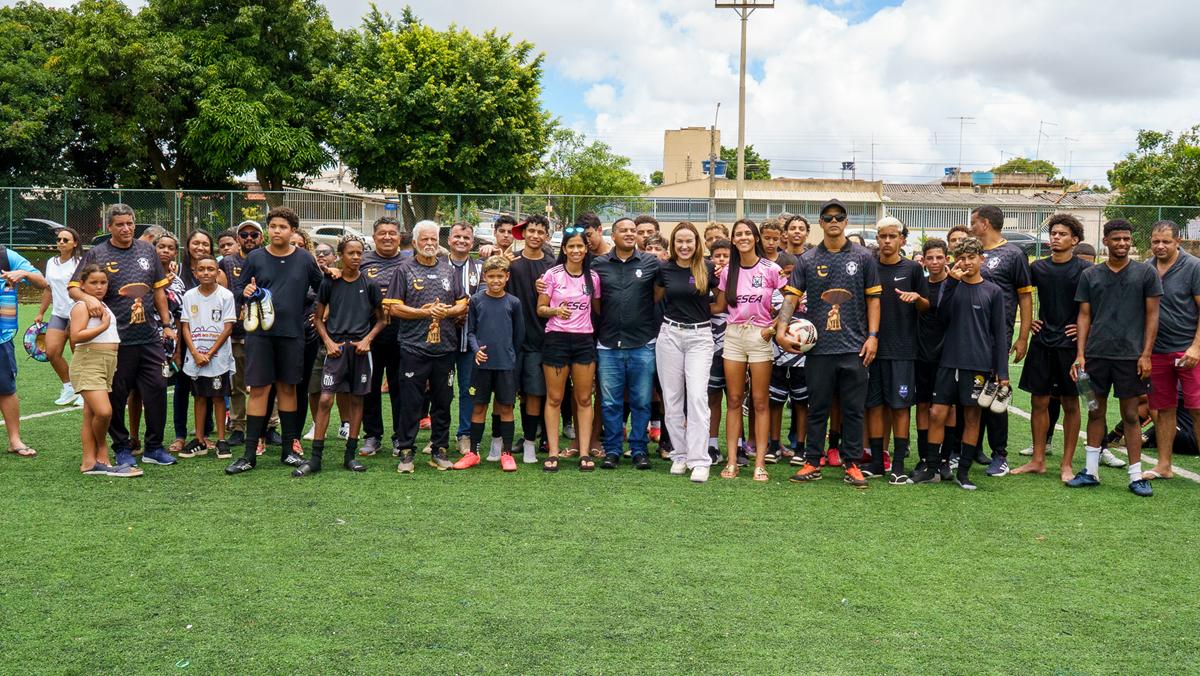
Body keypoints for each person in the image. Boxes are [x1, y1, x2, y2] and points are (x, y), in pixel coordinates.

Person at [776, 199, 880, 489]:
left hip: (854, 347)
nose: (834, 221)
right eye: (828, 217)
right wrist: (781, 330)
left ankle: (852, 464)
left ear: (846, 222)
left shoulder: (863, 257)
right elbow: (792, 296)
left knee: (853, 410)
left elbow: (874, 299)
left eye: (839, 217)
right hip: (819, 349)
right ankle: (812, 461)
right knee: (817, 407)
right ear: (820, 223)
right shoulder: (808, 260)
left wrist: (873, 336)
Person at [69, 204, 175, 468]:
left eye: (130, 223)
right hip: (116, 341)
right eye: (120, 224)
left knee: (157, 389)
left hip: (149, 336)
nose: (126, 228)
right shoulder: (98, 253)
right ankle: (122, 447)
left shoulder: (148, 250)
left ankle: (154, 447)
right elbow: (74, 287)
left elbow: (158, 291)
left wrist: (166, 324)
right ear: (110, 227)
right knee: (116, 396)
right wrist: (88, 299)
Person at [225, 206, 325, 475]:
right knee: (259, 389)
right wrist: (246, 292)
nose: (277, 231)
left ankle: (289, 451)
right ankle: (249, 455)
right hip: (260, 334)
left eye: (282, 227)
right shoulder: (255, 257)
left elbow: (323, 288)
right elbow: (240, 291)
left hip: (292, 334)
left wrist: (319, 310)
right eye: (273, 226)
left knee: (288, 389)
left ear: (293, 231)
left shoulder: (305, 259)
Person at [1069, 219, 1161, 497]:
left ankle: (1136, 476)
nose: (1122, 243)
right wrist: (1080, 354)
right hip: (1095, 356)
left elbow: (1153, 315)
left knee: (1131, 415)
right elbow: (1084, 316)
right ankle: (1090, 471)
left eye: (1127, 239)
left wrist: (1146, 354)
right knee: (1094, 410)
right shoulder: (1090, 275)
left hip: (1131, 357)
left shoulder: (1146, 273)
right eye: (1117, 238)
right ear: (1105, 241)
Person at [909, 237, 1009, 490]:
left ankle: (963, 473)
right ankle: (932, 469)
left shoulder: (993, 291)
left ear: (981, 259)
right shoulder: (950, 285)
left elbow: (999, 333)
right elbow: (941, 316)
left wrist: (1002, 371)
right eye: (961, 258)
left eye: (971, 257)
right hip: (948, 362)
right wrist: (952, 282)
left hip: (977, 365)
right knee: (936, 413)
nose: (966, 262)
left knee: (972, 417)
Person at [294, 236, 386, 477]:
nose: (355, 257)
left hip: (360, 350)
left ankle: (349, 456)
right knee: (325, 399)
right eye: (350, 253)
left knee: (357, 400)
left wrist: (367, 340)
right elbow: (317, 318)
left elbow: (382, 319)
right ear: (341, 256)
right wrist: (328, 342)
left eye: (359, 253)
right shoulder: (329, 282)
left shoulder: (370, 284)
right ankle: (315, 459)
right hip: (335, 348)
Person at [385, 220, 469, 473]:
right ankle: (406, 452)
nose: (430, 243)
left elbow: (463, 302)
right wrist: (424, 313)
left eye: (433, 239)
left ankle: (439, 450)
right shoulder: (404, 270)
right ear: (415, 242)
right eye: (425, 239)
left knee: (443, 401)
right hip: (414, 347)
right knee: (411, 402)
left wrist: (447, 311)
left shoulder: (448, 271)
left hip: (445, 348)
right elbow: (393, 307)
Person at [1012, 214, 1089, 480]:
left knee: (1071, 403)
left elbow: (1096, 305)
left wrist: (1085, 329)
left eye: (1062, 234)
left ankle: (1067, 464)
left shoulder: (1085, 270)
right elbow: (1021, 294)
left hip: (1070, 345)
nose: (1056, 237)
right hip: (1042, 342)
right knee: (1039, 401)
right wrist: (1028, 322)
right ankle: (1038, 460)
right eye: (1053, 233)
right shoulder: (1038, 268)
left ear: (1075, 240)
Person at [712, 218, 787, 482]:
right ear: (733, 240)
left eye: (747, 233)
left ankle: (760, 463)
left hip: (760, 335)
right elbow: (719, 306)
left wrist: (775, 327)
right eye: (738, 234)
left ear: (755, 238)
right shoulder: (727, 271)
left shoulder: (771, 269)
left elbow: (792, 300)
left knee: (759, 401)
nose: (743, 237)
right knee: (733, 400)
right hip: (733, 335)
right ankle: (732, 461)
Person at [864, 217, 929, 483]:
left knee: (900, 408)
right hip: (872, 350)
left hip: (903, 350)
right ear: (877, 239)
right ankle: (877, 462)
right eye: (883, 236)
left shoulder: (913, 269)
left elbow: (926, 306)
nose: (887, 241)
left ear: (902, 239)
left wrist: (917, 299)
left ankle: (899, 465)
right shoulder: (869, 267)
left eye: (893, 236)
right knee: (874, 406)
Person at [593, 217, 660, 470]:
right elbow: (596, 302)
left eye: (633, 230)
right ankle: (612, 450)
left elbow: (659, 293)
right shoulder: (598, 264)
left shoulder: (651, 262)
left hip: (642, 343)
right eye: (624, 230)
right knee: (610, 403)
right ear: (613, 235)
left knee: (641, 401)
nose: (630, 234)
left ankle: (639, 450)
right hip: (608, 343)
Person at [970, 205, 1033, 477]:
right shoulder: (973, 251)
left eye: (973, 222)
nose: (971, 226)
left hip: (998, 338)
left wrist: (1022, 337)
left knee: (996, 393)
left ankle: (1000, 455)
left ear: (985, 223)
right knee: (973, 393)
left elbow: (1025, 296)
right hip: (970, 336)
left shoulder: (1013, 254)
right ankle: (971, 448)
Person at [654, 221, 716, 483]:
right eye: (679, 241)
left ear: (697, 243)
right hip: (670, 335)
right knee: (672, 399)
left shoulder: (708, 268)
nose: (684, 245)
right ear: (673, 243)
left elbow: (721, 301)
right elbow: (655, 297)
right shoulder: (664, 269)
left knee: (698, 397)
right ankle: (680, 454)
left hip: (700, 337)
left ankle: (700, 460)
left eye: (689, 240)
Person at [537, 225, 601, 472]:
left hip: (584, 341)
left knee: (584, 398)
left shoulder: (593, 278)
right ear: (564, 249)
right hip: (557, 340)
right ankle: (553, 453)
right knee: (555, 398)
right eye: (571, 246)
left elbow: (597, 309)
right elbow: (541, 308)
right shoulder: (552, 275)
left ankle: (584, 453)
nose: (576, 250)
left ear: (586, 249)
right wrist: (555, 311)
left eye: (580, 246)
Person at [455, 255, 525, 471]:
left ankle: (507, 454)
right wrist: (476, 350)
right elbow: (471, 332)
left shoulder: (514, 303)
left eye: (500, 276)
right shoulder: (476, 300)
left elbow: (519, 336)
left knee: (506, 408)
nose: (496, 280)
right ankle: (473, 453)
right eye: (491, 276)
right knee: (478, 407)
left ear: (507, 277)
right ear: (484, 276)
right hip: (482, 365)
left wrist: (508, 355)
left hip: (505, 365)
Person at [70, 265, 141, 476]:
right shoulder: (83, 306)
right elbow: (76, 335)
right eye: (93, 283)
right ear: (82, 285)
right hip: (89, 361)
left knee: (90, 413)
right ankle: (101, 452)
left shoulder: (102, 305)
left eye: (103, 282)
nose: (99, 287)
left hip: (107, 362)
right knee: (104, 411)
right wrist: (103, 326)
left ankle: (89, 462)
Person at [1146, 220, 1200, 480]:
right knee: (1164, 409)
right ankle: (1164, 466)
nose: (1160, 246)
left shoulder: (1194, 267)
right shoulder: (1146, 269)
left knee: (1197, 409)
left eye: (1166, 241)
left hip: (1188, 352)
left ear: (1178, 241)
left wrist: (1196, 347)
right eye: (1156, 241)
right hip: (1157, 352)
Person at [219, 219, 274, 448]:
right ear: (238, 238)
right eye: (244, 235)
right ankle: (238, 426)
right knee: (237, 384)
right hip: (237, 332)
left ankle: (270, 427)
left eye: (254, 235)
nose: (249, 238)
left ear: (261, 237)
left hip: (265, 331)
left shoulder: (269, 259)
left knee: (269, 382)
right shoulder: (227, 262)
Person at [357, 217, 408, 457]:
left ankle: (400, 437)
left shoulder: (410, 261)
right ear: (374, 236)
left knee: (400, 387)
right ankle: (372, 435)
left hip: (403, 333)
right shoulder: (362, 260)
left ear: (400, 237)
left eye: (392, 233)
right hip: (370, 333)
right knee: (370, 386)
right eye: (382, 233)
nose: (387, 237)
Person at [508, 216, 555, 464]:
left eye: (540, 232)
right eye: (531, 231)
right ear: (523, 233)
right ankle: (510, 440)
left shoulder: (552, 265)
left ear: (546, 236)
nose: (535, 235)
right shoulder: (511, 261)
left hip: (541, 338)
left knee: (537, 391)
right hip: (512, 339)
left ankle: (534, 440)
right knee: (514, 392)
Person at [179, 256, 236, 460]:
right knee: (199, 397)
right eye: (201, 269)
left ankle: (221, 440)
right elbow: (185, 326)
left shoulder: (226, 296)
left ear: (217, 272)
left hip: (218, 357)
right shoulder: (189, 296)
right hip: (195, 356)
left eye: (210, 269)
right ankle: (200, 440)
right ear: (195, 273)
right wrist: (195, 353)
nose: (205, 273)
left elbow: (228, 328)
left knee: (218, 397)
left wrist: (210, 353)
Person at [914, 238, 951, 476]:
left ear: (947, 259)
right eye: (930, 258)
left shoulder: (955, 284)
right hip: (922, 354)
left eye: (939, 257)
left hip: (948, 355)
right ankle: (924, 458)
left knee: (948, 408)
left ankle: (945, 459)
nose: (935, 262)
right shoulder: (920, 285)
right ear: (924, 261)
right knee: (923, 405)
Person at [447, 222, 483, 454]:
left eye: (466, 237)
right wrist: (453, 313)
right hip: (442, 340)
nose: (461, 241)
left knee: (468, 389)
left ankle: (465, 434)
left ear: (472, 242)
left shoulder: (481, 268)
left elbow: (485, 300)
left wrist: (464, 311)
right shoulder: (438, 265)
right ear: (449, 240)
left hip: (471, 341)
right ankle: (438, 435)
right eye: (457, 236)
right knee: (442, 390)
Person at [36, 226, 83, 406]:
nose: (61, 242)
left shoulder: (80, 262)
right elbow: (48, 289)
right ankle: (69, 387)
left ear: (75, 243)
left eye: (66, 240)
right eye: (59, 240)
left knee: (78, 355)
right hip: (58, 313)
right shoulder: (51, 262)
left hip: (77, 314)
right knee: (51, 352)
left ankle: (84, 391)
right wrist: (41, 312)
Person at [303, 243, 338, 441]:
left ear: (335, 256)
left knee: (345, 387)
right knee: (314, 385)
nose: (321, 256)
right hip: (312, 336)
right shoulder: (308, 275)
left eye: (326, 252)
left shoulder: (340, 276)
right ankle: (317, 424)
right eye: (318, 253)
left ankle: (346, 424)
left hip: (337, 335)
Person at [706, 239, 733, 466]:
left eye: (726, 255)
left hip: (736, 346)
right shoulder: (705, 279)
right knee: (712, 397)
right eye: (717, 256)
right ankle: (712, 444)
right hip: (710, 347)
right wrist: (716, 281)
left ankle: (739, 445)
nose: (722, 260)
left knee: (735, 397)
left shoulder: (741, 278)